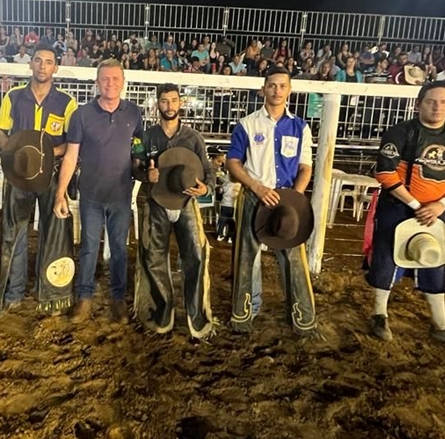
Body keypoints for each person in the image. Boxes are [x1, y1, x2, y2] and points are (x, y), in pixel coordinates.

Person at [366, 80, 445, 356]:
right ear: (419, 104)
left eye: (443, 102)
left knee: (434, 260)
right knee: (387, 256)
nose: (437, 107)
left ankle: (441, 325)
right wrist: (417, 203)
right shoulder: (401, 132)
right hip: (399, 204)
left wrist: (441, 204)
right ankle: (379, 314)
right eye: (431, 101)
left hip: (435, 209)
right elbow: (385, 172)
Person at [225, 66, 321, 337]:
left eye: (282, 86)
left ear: (289, 90)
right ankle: (245, 313)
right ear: (263, 89)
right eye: (272, 85)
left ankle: (301, 316)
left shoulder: (301, 127)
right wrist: (257, 187)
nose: (277, 90)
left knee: (294, 258)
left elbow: (305, 167)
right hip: (255, 197)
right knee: (246, 256)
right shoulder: (247, 124)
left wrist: (296, 196)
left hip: (288, 200)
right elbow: (233, 162)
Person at [0, 45, 78, 317]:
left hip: (51, 177)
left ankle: (50, 294)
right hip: (19, 176)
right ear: (31, 65)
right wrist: (14, 150)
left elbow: (71, 143)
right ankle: (12, 293)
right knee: (14, 233)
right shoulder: (14, 97)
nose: (42, 66)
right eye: (38, 60)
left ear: (55, 68)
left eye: (48, 62)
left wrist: (49, 154)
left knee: (54, 234)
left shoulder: (67, 103)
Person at [54, 59, 143, 324]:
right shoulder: (82, 115)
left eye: (115, 79)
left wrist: (144, 171)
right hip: (90, 194)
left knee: (119, 248)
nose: (110, 84)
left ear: (123, 82)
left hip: (120, 194)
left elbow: (138, 151)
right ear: (97, 82)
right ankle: (84, 298)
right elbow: (70, 157)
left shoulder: (134, 114)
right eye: (105, 79)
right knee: (89, 247)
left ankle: (118, 299)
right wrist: (61, 193)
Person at [131, 84, 215, 339]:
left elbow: (208, 170)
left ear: (181, 104)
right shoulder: (144, 137)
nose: (169, 105)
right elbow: (134, 168)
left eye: (174, 100)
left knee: (196, 255)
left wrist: (206, 188)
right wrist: (147, 174)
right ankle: (163, 310)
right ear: (158, 104)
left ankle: (196, 313)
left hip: (187, 202)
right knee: (154, 256)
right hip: (156, 202)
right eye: (164, 101)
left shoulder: (193, 138)